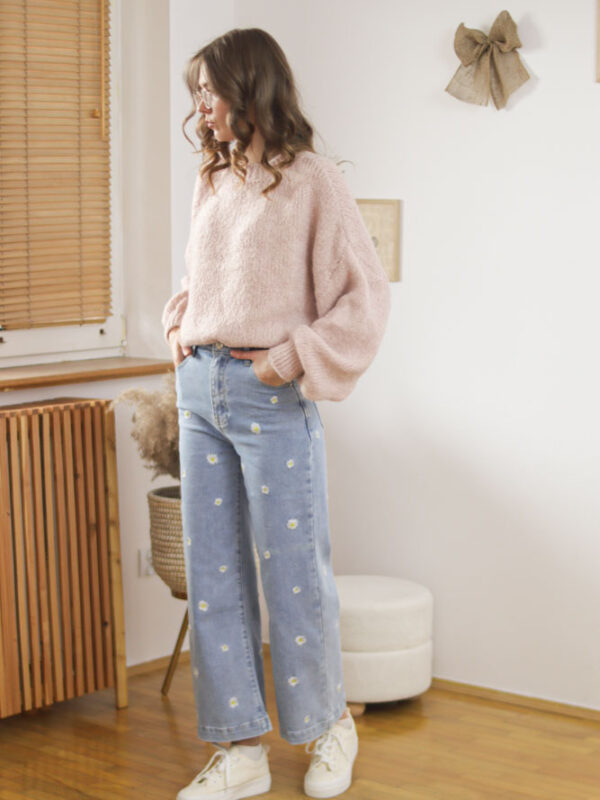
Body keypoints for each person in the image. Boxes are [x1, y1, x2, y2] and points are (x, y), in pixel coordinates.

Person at [162, 27, 391, 800]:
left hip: (271, 395)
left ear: (249, 86)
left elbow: (364, 297)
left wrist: (289, 358)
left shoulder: (312, 180)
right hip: (201, 392)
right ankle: (239, 750)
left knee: (294, 575)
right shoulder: (214, 179)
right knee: (214, 578)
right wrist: (178, 328)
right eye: (197, 92)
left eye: (210, 89)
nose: (201, 105)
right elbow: (201, 281)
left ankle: (329, 727)